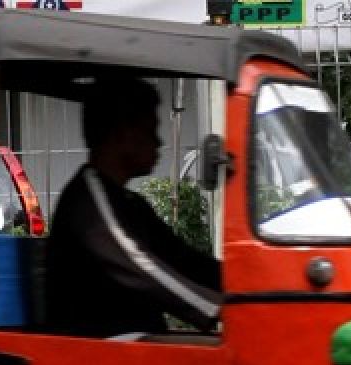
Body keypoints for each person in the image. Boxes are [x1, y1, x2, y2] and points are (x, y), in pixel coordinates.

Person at [45, 78, 222, 338]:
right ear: (123, 135)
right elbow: (142, 268)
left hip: (138, 344)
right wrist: (214, 307)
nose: (159, 142)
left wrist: (247, 286)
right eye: (151, 131)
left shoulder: (130, 204)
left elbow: (184, 259)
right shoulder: (88, 200)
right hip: (102, 353)